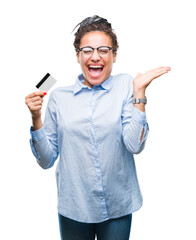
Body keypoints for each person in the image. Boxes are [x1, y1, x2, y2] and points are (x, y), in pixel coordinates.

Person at [25, 15, 170, 240]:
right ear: (77, 55)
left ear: (114, 55)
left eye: (103, 50)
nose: (95, 56)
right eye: (87, 50)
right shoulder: (58, 97)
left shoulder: (125, 85)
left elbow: (134, 145)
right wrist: (36, 118)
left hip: (118, 204)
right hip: (74, 207)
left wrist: (139, 93)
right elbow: (46, 160)